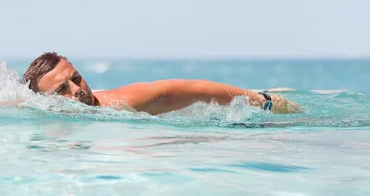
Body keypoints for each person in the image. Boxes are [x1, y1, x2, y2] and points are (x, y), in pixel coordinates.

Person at [22, 52, 302, 115]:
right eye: (61, 90)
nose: (78, 90)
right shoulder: (39, 112)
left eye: (75, 78)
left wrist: (263, 100)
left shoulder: (125, 101)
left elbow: (192, 89)